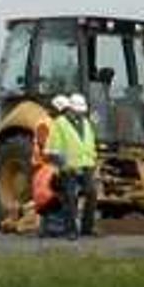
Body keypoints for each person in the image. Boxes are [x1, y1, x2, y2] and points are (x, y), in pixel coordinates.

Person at [53, 92, 100, 239]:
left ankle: (87, 228)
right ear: (71, 109)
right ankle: (71, 230)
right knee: (70, 197)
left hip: (86, 165)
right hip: (69, 167)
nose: (80, 114)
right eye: (78, 111)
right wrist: (62, 164)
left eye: (81, 112)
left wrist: (93, 162)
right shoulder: (59, 123)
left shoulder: (86, 123)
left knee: (91, 193)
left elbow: (90, 144)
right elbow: (55, 147)